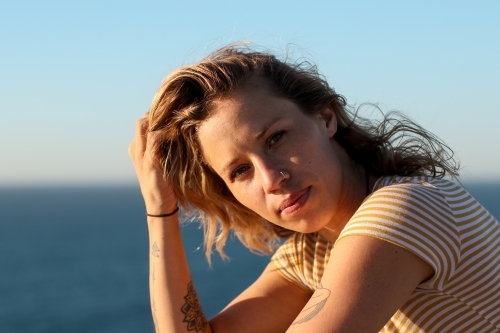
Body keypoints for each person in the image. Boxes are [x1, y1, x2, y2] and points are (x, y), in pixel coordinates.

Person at [129, 44, 500, 333]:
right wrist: (159, 208)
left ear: (326, 118)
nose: (271, 179)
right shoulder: (312, 255)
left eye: (276, 138)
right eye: (241, 171)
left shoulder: (407, 208)